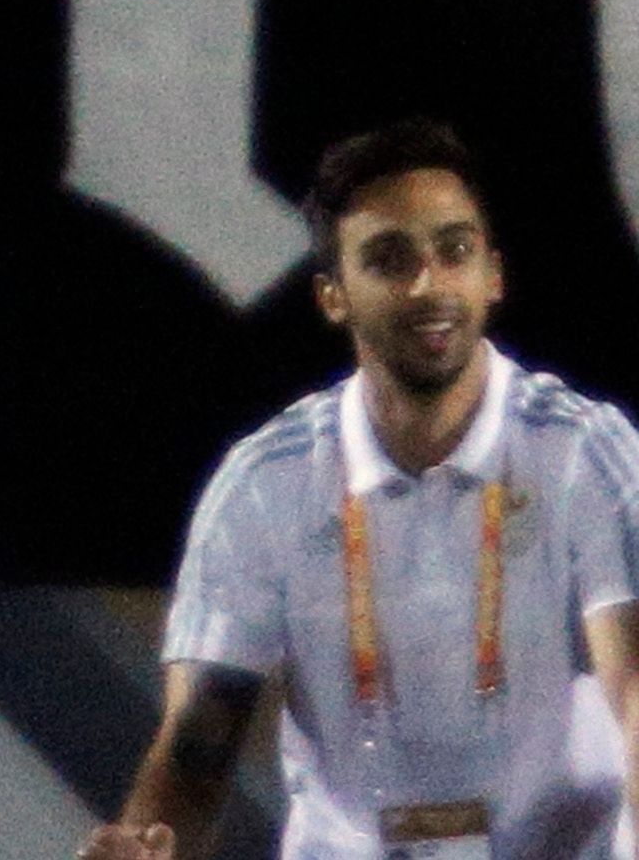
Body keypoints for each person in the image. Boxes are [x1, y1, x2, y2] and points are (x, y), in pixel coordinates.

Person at [81, 118, 639, 860]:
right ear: (333, 296)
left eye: (455, 252)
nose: (428, 285)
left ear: (493, 276)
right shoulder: (264, 485)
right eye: (388, 259)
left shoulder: (581, 453)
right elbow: (196, 749)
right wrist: (144, 846)